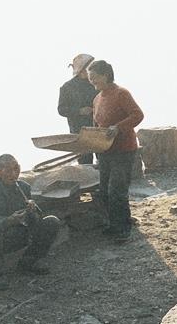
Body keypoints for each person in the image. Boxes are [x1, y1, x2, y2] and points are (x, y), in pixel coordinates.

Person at [0, 154, 61, 288]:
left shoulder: (23, 187)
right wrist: (6, 221)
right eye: (8, 170)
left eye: (16, 169)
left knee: (52, 222)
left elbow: (36, 221)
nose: (13, 174)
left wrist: (33, 210)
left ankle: (28, 262)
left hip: (19, 234)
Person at [87, 59, 143, 243]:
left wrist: (118, 128)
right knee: (105, 190)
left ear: (106, 75)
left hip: (123, 149)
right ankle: (116, 223)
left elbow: (138, 115)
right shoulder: (97, 98)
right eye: (90, 79)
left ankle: (123, 230)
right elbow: (97, 124)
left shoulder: (121, 94)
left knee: (117, 190)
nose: (92, 82)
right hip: (105, 151)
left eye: (94, 78)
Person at [57, 53, 99, 165]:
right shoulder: (67, 87)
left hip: (98, 129)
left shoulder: (96, 83)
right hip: (79, 131)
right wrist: (79, 111)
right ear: (81, 70)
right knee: (85, 163)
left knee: (103, 160)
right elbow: (61, 109)